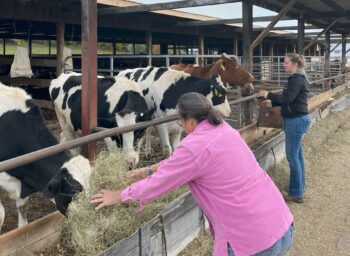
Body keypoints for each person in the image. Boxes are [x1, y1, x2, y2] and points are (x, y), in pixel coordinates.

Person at [91, 92, 294, 256]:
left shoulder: (194, 146)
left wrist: (118, 195)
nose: (180, 126)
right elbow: (186, 162)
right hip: (279, 222)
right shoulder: (223, 128)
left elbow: (158, 184)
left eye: (179, 121)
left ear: (188, 120)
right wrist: (148, 169)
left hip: (251, 240)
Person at [257, 53, 311, 203]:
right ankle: (299, 187)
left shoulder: (297, 79)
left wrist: (268, 94)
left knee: (292, 157)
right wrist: (271, 103)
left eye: (286, 63)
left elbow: (287, 99)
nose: (283, 65)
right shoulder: (297, 78)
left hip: (295, 121)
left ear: (295, 64)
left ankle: (296, 193)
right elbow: (291, 101)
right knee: (297, 156)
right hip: (296, 119)